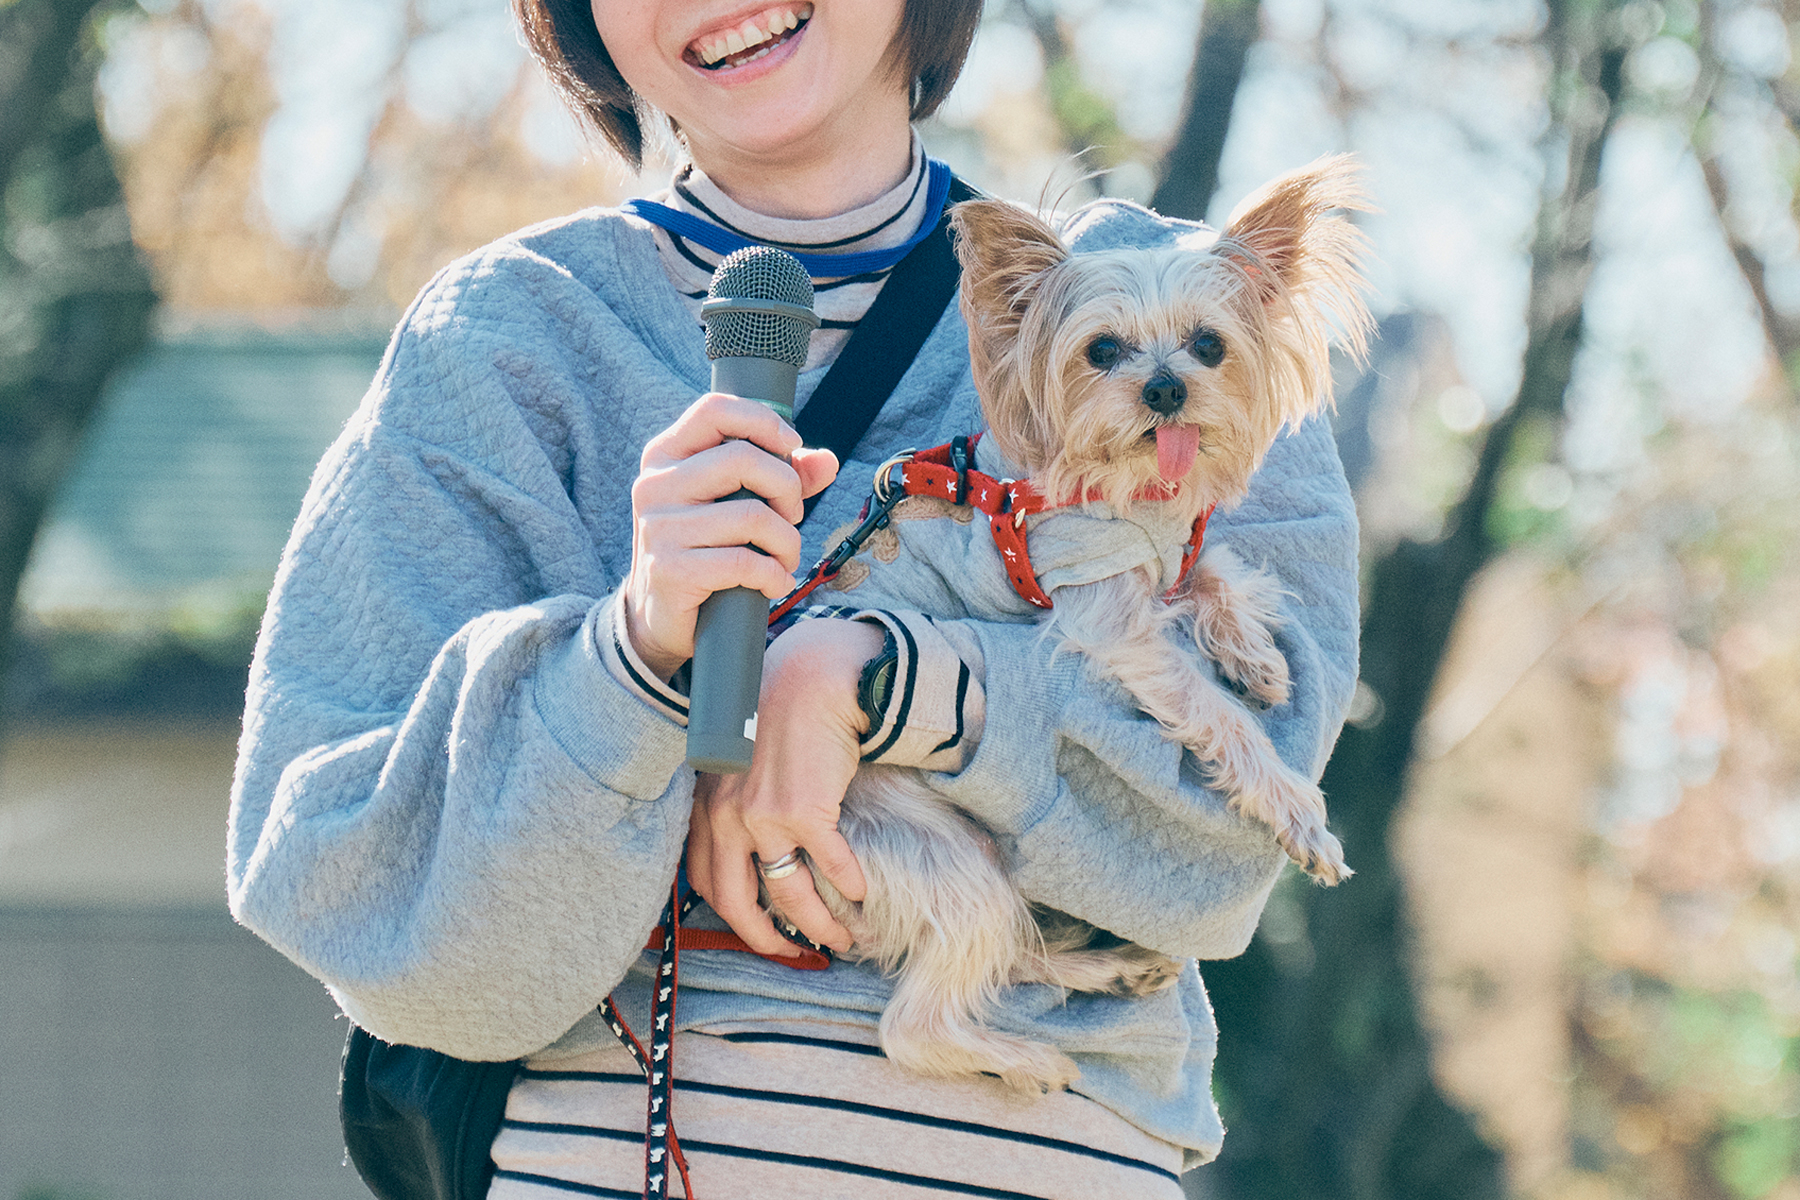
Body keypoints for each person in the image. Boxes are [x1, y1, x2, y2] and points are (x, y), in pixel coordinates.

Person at [225, 0, 1361, 1196]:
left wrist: (877, 682)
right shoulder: (511, 339)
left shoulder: (1171, 303)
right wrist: (630, 656)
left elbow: (1229, 845)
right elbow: (363, 904)